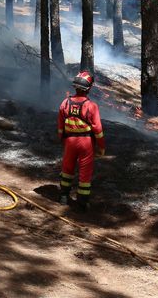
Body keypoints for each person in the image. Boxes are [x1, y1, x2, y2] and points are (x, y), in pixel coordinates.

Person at [57, 71, 104, 212]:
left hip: (69, 141)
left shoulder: (65, 103)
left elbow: (60, 127)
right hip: (86, 143)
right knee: (85, 172)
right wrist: (101, 147)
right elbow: (98, 129)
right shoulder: (91, 106)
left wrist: (63, 141)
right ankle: (82, 202)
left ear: (75, 87)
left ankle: (64, 197)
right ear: (88, 88)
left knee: (67, 169)